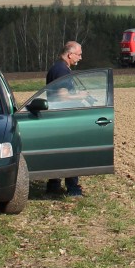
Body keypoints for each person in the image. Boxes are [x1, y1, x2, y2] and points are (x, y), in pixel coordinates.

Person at [44, 41, 84, 197]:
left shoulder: (56, 68)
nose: (80, 58)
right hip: (64, 118)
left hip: (56, 118)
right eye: (79, 54)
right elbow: (61, 96)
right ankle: (73, 189)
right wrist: (80, 96)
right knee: (71, 153)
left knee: (57, 152)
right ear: (70, 54)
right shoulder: (62, 71)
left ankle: (53, 186)